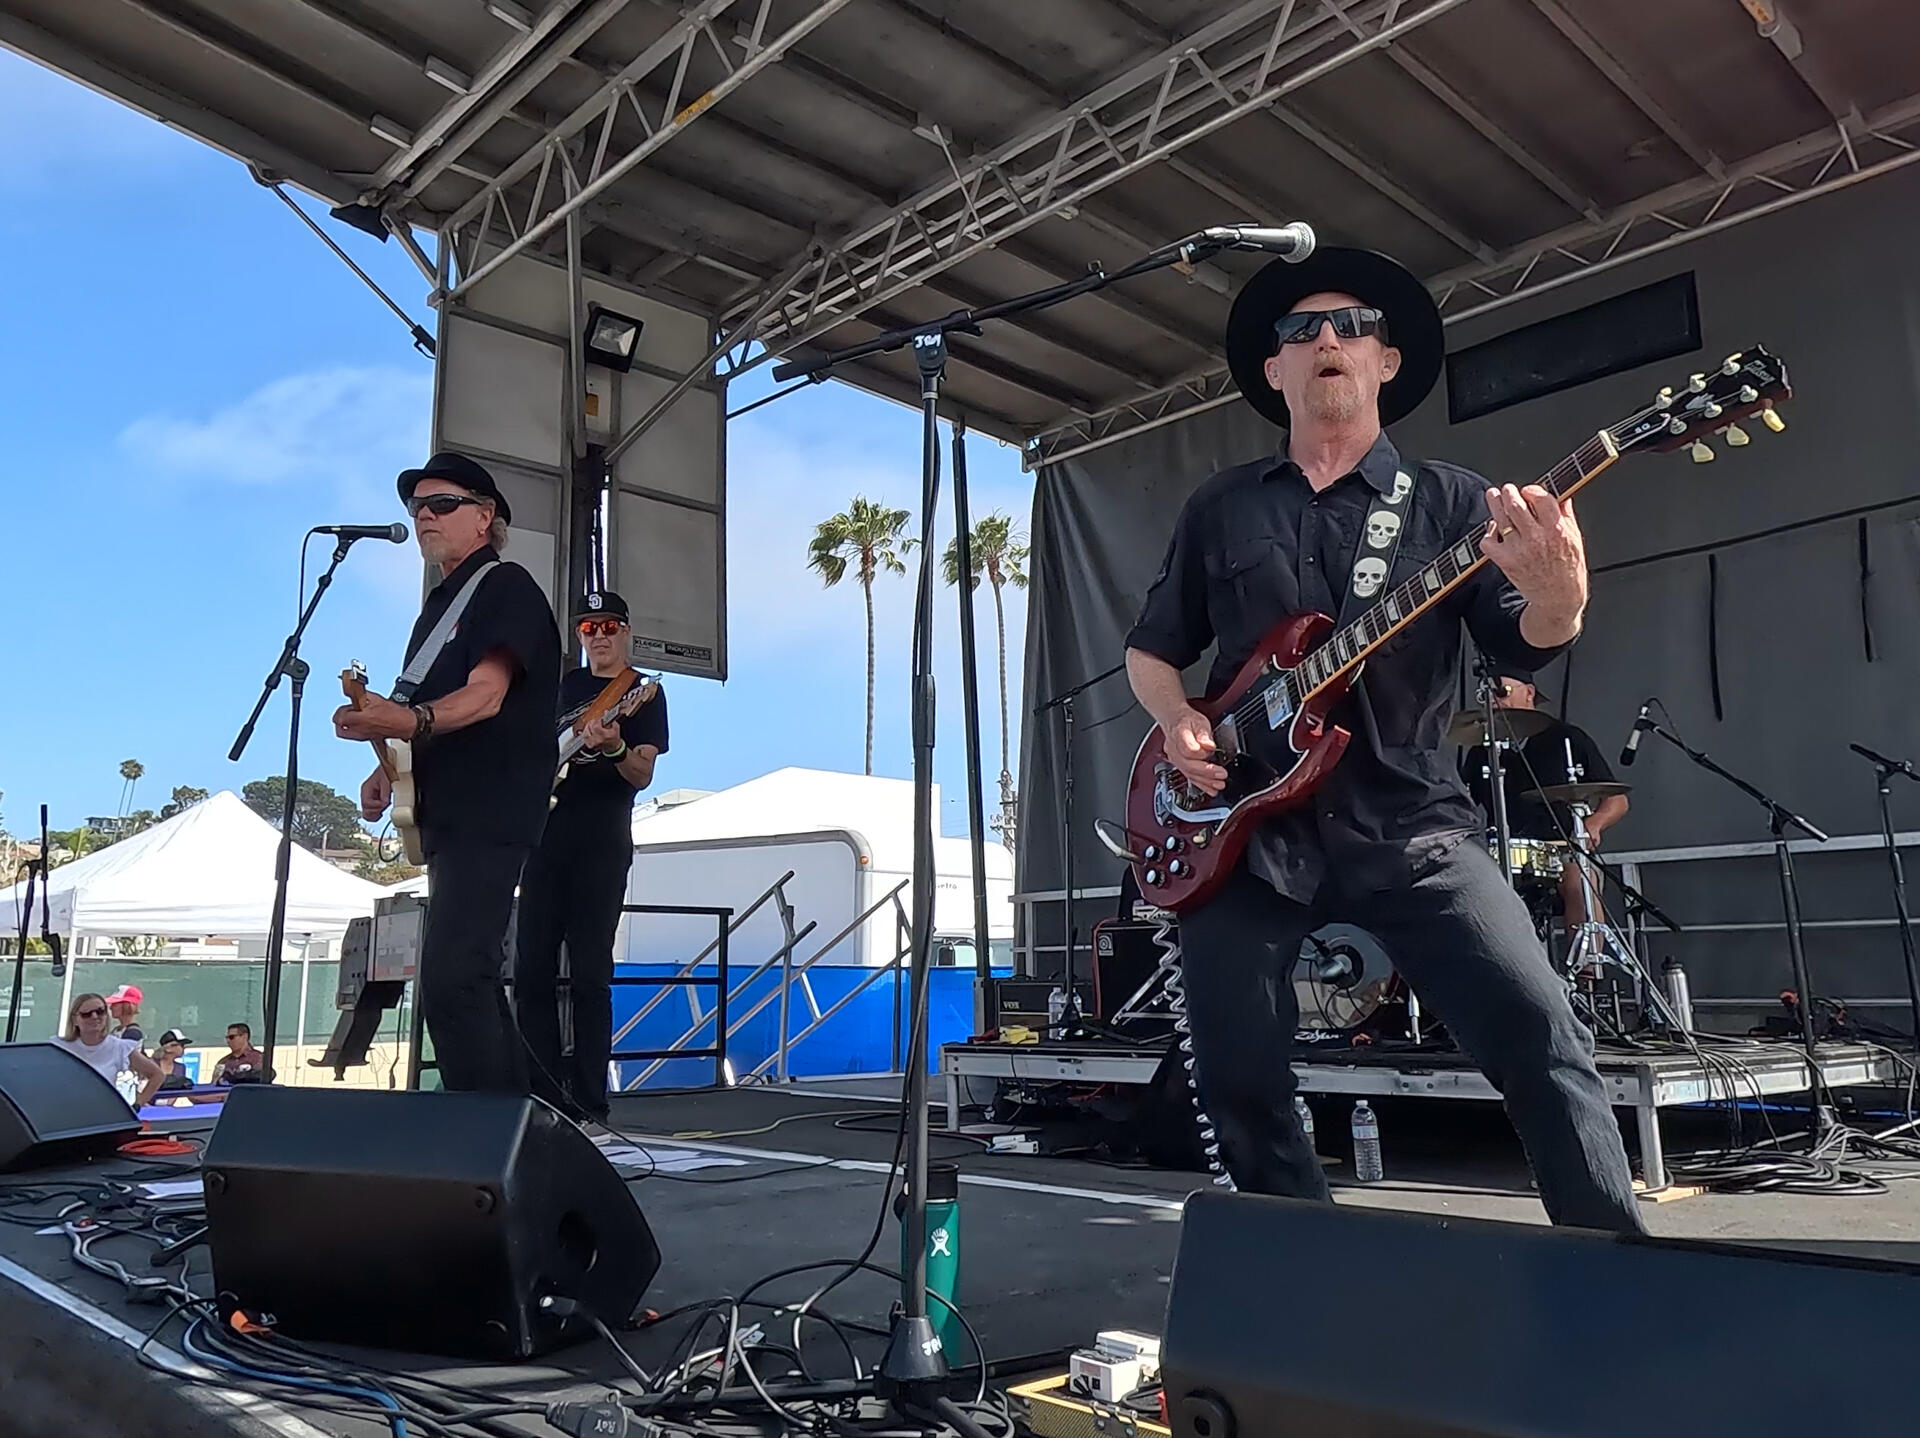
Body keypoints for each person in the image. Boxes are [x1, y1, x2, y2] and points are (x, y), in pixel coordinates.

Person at [1123, 247, 1643, 1233]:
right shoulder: (1222, 507)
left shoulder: (1452, 505)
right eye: (1301, 330)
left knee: (1541, 1031)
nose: (1327, 339)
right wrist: (1176, 716)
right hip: (1247, 830)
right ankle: (1306, 1277)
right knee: (1236, 1071)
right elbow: (1153, 651)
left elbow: (1519, 632)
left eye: (1352, 326)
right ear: (1273, 371)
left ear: (1386, 363)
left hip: (1411, 821)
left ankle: (1616, 1267)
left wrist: (1561, 600)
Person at [334, 451, 560, 1094]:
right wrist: (390, 766)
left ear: (485, 518)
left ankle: (486, 1137)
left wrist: (410, 724)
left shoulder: (505, 586)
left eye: (442, 505)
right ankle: (522, 1125)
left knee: (455, 977)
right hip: (452, 807)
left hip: (491, 803)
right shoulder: (437, 608)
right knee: (467, 977)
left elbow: (486, 696)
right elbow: (424, 715)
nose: (424, 517)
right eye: (416, 508)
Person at [515, 590, 670, 1123]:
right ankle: (540, 1092)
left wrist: (613, 747)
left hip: (601, 842)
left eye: (608, 626)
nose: (598, 635)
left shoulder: (642, 695)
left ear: (625, 631)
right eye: (588, 628)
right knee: (530, 969)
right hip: (544, 837)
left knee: (589, 975)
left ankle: (589, 1103)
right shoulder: (561, 690)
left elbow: (643, 773)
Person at [1459, 668, 1630, 928]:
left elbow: (1617, 800)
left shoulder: (1567, 739)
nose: (1493, 700)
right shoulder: (1481, 752)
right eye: (1485, 696)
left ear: (1529, 693)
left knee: (1582, 885)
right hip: (1502, 854)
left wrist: (1593, 825)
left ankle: (1586, 968)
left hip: (1563, 852)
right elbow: (1462, 807)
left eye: (1501, 692)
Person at [54, 993, 162, 1105]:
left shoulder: (119, 1046)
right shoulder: (58, 1046)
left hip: (105, 1113)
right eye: (86, 1014)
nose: (94, 1016)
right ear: (75, 1019)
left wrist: (137, 1105)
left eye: (100, 1012)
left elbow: (157, 1075)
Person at [151, 1028, 197, 1092]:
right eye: (182, 1045)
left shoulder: (180, 1068)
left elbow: (178, 1091)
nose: (184, 1048)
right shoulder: (151, 1064)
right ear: (169, 1048)